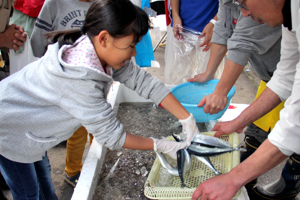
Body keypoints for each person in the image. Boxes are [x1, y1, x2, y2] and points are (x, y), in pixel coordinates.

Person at [0, 0, 201, 199]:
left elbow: (143, 81)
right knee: (28, 192)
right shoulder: (80, 79)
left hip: (30, 127)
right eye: (130, 45)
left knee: (43, 176)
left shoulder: (96, 48)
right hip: (8, 131)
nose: (134, 53)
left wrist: (186, 119)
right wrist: (162, 145)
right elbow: (113, 136)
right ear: (104, 38)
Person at [187, 0, 300, 199]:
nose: (244, 15)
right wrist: (239, 122)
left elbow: (294, 126)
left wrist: (232, 179)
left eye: (244, 3)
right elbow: (285, 77)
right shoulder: (289, 17)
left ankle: (291, 183)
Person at [30, 0, 94, 187]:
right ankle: (73, 171)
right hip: (65, 81)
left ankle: (100, 165)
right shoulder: (54, 3)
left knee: (98, 128)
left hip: (94, 80)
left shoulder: (103, 4)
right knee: (76, 130)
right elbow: (37, 41)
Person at [164, 0, 219, 84]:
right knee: (174, 76)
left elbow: (228, 5)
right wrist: (175, 15)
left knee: (207, 80)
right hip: (181, 27)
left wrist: (214, 23)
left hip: (208, 29)